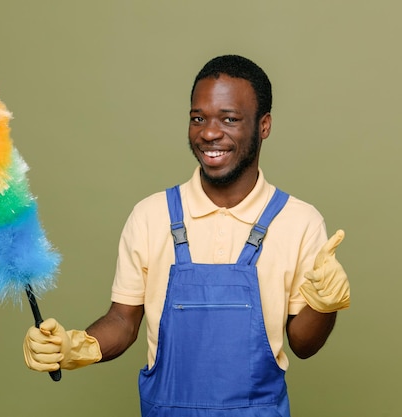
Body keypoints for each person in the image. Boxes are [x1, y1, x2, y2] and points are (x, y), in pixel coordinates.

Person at [23, 55, 350, 416]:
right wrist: (75, 347)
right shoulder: (151, 216)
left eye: (230, 119)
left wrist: (324, 305)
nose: (209, 132)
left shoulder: (299, 221)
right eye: (198, 118)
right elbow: (123, 320)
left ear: (264, 125)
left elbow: (304, 344)